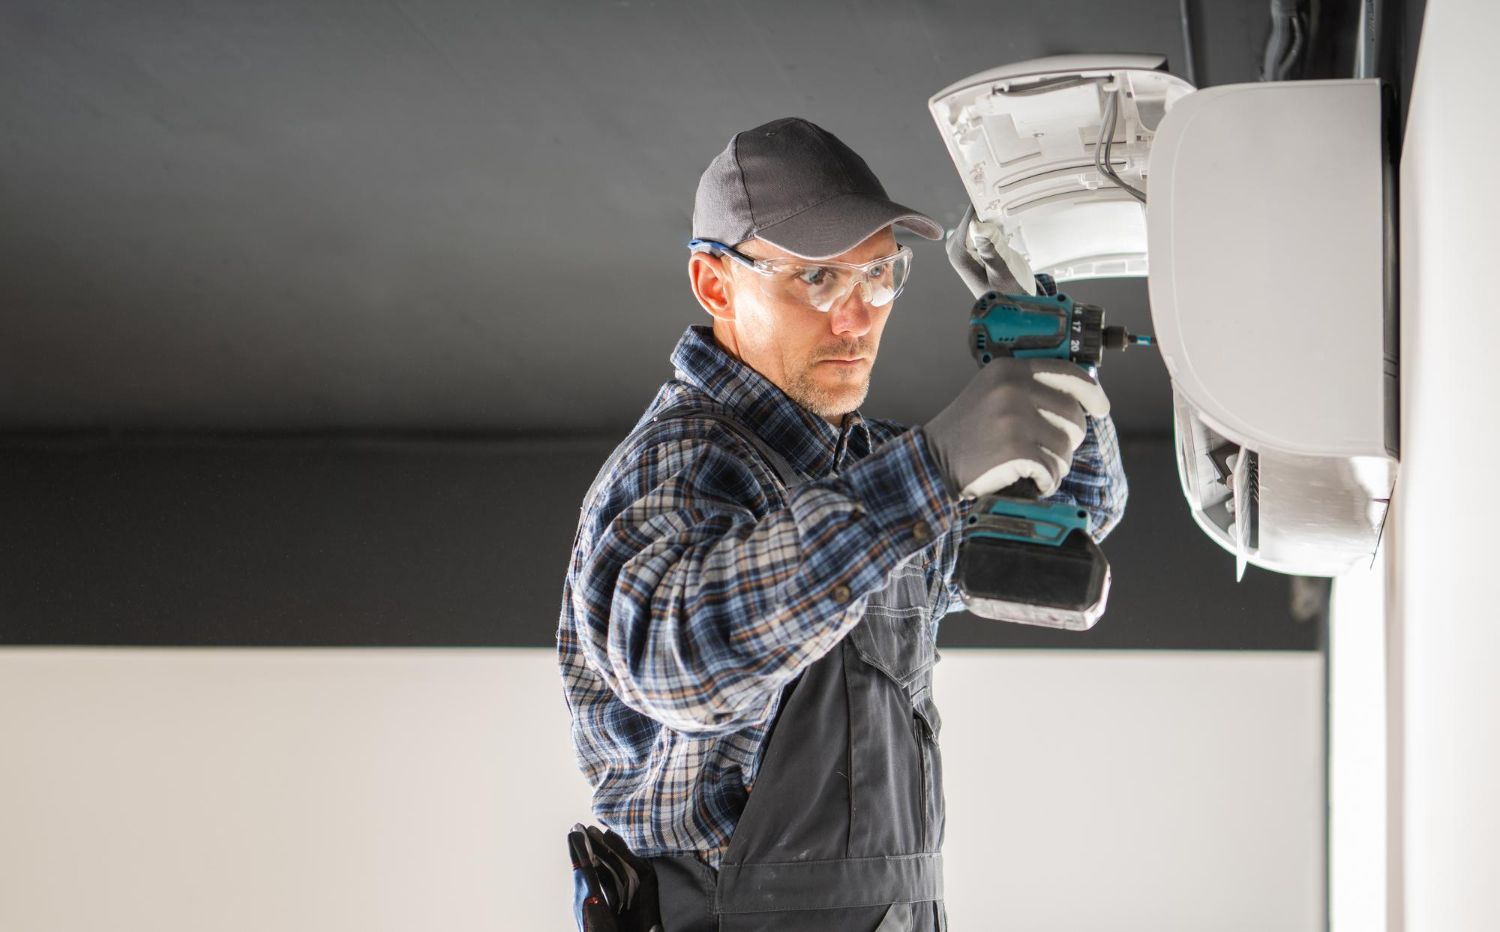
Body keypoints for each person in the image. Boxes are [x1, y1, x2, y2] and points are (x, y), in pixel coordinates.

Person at [558, 117, 1127, 931]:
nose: (856, 319)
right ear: (716, 284)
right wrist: (930, 470)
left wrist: (1050, 355)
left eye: (879, 275)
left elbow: (1069, 522)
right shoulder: (681, 469)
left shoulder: (869, 472)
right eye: (818, 279)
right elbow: (682, 661)